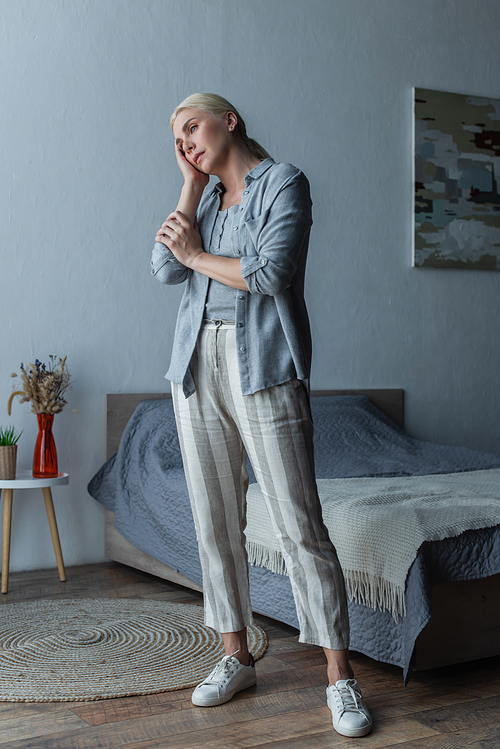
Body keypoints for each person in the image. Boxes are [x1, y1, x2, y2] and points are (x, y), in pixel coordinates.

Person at [152, 93, 372, 739]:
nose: (187, 143)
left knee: (299, 523)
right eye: (178, 140)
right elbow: (164, 265)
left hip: (264, 367)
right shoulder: (209, 203)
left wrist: (198, 256)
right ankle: (235, 655)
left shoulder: (286, 184)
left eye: (192, 128)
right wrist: (190, 187)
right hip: (195, 367)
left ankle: (340, 677)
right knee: (214, 521)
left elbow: (271, 272)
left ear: (230, 121)